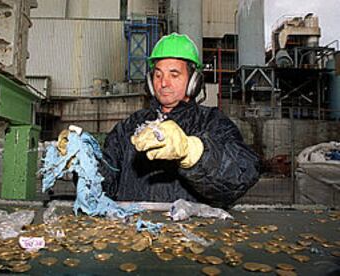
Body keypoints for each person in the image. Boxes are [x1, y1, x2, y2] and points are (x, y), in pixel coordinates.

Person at [100, 33, 260, 208]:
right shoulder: (130, 126)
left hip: (191, 231)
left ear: (194, 81)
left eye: (174, 75)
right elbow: (105, 182)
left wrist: (194, 152)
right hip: (135, 231)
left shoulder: (212, 122)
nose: (163, 83)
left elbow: (242, 173)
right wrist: (84, 166)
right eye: (158, 75)